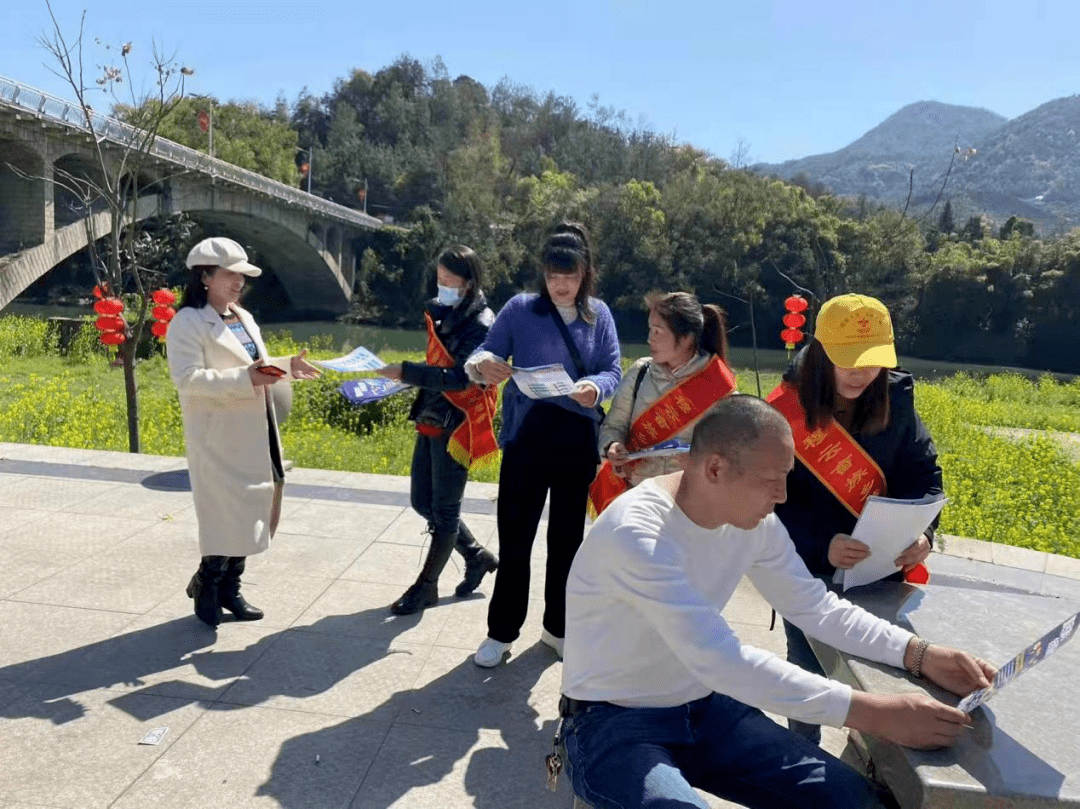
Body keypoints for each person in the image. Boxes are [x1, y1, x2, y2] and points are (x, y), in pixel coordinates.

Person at [559, 395, 994, 809]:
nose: (783, 496)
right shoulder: (638, 535)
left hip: (703, 707)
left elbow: (815, 608)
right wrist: (876, 715)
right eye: (772, 481)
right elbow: (722, 660)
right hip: (612, 722)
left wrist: (920, 654)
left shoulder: (756, 523)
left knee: (854, 800)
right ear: (715, 469)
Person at [767, 293, 943, 744]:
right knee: (806, 666)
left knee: (872, 667)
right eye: (848, 360)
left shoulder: (896, 402)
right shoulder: (784, 410)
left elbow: (924, 476)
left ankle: (869, 751)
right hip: (808, 568)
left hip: (877, 570)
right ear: (820, 350)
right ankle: (800, 754)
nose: (861, 373)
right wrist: (820, 542)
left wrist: (924, 533)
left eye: (872, 361)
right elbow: (765, 499)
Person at [466, 222, 621, 667]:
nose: (561, 285)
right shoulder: (520, 309)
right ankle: (501, 632)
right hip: (527, 435)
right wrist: (484, 365)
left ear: (585, 273)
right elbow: (484, 353)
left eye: (570, 276)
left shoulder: (600, 315)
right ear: (543, 273)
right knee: (516, 538)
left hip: (576, 438)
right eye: (554, 276)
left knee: (567, 541)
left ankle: (558, 629)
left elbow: (612, 369)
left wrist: (594, 387)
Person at [167, 236, 321, 627]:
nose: (238, 283)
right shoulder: (187, 322)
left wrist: (286, 367)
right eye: (230, 274)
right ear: (205, 276)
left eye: (242, 276)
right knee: (225, 513)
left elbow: (259, 367)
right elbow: (187, 380)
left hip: (257, 427)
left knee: (254, 507)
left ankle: (230, 589)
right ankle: (208, 582)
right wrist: (244, 378)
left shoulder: (242, 317)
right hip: (219, 435)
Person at [374, 245, 499, 615]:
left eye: (449, 280)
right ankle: (476, 556)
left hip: (458, 423)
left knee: (444, 511)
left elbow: (461, 378)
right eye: (439, 278)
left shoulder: (482, 323)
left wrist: (406, 372)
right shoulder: (444, 310)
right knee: (421, 502)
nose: (442, 285)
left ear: (469, 281)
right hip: (431, 414)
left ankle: (426, 587)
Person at [590, 291, 736, 515]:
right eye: (650, 329)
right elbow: (614, 426)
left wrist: (699, 462)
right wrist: (612, 446)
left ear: (686, 338)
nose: (650, 338)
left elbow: (732, 451)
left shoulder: (718, 385)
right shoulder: (640, 372)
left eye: (658, 331)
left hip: (688, 505)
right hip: (635, 497)